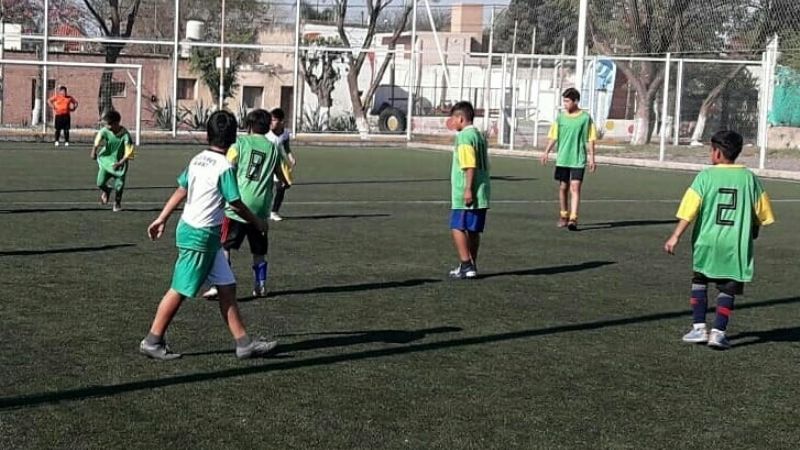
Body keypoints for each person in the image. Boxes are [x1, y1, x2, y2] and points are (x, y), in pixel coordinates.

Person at [140, 110, 277, 361]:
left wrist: (163, 217)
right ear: (234, 137)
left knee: (227, 287)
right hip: (200, 235)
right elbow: (235, 203)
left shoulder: (198, 159)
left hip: (205, 235)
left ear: (207, 134)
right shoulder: (224, 167)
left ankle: (243, 344)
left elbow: (183, 188)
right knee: (179, 289)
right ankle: (152, 340)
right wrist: (257, 222)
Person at [664, 130, 775, 350]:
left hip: (707, 242)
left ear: (716, 153)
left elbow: (689, 210)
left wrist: (675, 236)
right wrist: (754, 229)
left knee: (699, 282)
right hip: (735, 246)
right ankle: (718, 333)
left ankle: (698, 328)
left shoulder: (705, 176)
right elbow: (762, 213)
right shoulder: (749, 178)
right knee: (728, 288)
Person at [203, 109, 284, 299]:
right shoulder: (272, 147)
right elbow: (281, 177)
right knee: (259, 251)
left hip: (237, 207)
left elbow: (227, 163)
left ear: (249, 126)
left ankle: (218, 285)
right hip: (261, 209)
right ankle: (260, 285)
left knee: (224, 246)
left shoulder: (240, 143)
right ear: (267, 127)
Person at [540, 88, 597, 231]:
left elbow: (590, 139)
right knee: (563, 187)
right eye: (563, 101)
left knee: (575, 187)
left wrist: (592, 158)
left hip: (578, 159)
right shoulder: (560, 118)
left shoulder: (585, 118)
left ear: (575, 101)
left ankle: (573, 218)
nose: (564, 104)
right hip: (563, 159)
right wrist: (546, 152)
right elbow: (554, 136)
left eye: (567, 101)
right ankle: (564, 215)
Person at [447, 101, 490, 280]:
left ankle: (466, 264)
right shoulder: (479, 135)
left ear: (461, 118)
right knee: (473, 230)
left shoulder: (464, 137)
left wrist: (467, 189)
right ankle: (471, 265)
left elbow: (469, 165)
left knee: (457, 226)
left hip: (466, 190)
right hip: (482, 191)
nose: (451, 122)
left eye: (453, 119)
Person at [91, 110, 134, 212]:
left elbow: (129, 153)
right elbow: (98, 138)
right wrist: (94, 150)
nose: (106, 127)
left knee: (119, 186)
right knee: (100, 183)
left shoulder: (125, 135)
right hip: (106, 162)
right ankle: (107, 190)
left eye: (108, 125)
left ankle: (117, 203)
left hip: (119, 164)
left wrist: (120, 163)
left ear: (116, 123)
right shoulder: (105, 130)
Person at [268, 108, 296, 222]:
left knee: (281, 187)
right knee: (267, 189)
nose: (271, 122)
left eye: (274, 120)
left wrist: (291, 157)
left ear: (281, 122)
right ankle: (263, 210)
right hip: (267, 164)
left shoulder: (285, 133)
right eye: (271, 119)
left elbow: (286, 147)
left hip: (278, 164)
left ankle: (274, 212)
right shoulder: (266, 133)